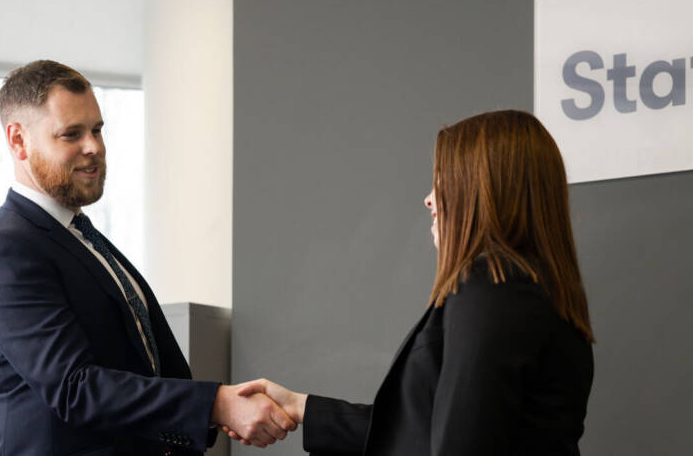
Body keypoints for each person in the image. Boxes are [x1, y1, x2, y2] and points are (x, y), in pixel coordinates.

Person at [0, 60, 296, 456]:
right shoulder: (4, 252)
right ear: (18, 141)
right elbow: (75, 388)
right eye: (71, 134)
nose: (94, 148)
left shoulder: (83, 238)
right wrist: (216, 403)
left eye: (97, 130)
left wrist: (218, 410)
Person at [226, 110, 595, 455]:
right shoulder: (533, 289)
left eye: (441, 182)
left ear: (485, 189)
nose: (429, 199)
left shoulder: (491, 287)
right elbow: (418, 432)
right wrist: (300, 405)